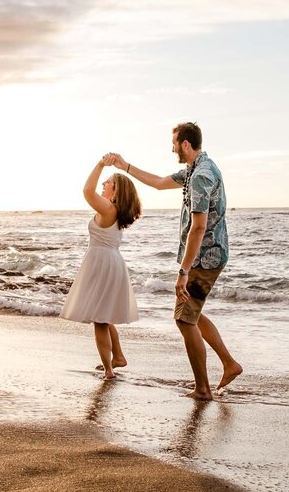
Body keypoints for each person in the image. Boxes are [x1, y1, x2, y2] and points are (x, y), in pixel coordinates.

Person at [107, 123, 242, 400]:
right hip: (204, 255)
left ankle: (203, 389)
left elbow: (199, 227)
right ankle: (229, 364)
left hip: (205, 258)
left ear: (185, 144)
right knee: (190, 314)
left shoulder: (202, 176)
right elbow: (158, 183)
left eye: (174, 143)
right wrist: (124, 165)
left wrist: (183, 271)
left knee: (184, 320)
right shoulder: (194, 170)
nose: (171, 148)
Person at [59, 155, 143, 380]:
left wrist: (99, 164)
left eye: (108, 182)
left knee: (99, 319)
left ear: (115, 191)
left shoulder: (109, 209)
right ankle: (118, 357)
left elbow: (87, 191)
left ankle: (109, 371)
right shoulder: (113, 210)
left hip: (104, 263)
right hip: (110, 261)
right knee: (103, 315)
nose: (103, 184)